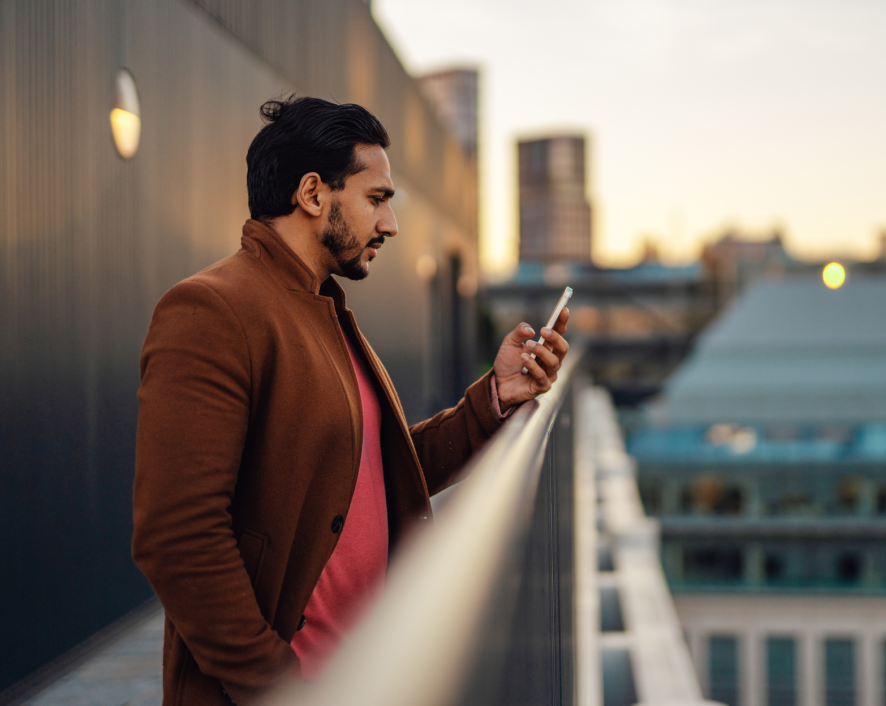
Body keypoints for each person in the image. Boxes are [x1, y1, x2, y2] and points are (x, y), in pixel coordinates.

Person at [132, 96, 569, 705]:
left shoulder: (325, 310)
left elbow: (376, 472)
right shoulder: (211, 310)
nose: (390, 225)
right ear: (313, 195)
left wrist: (495, 397)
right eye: (377, 199)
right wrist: (277, 687)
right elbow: (176, 535)